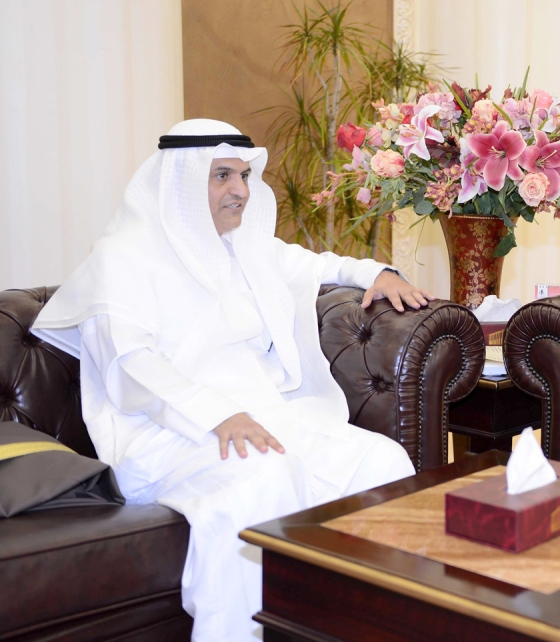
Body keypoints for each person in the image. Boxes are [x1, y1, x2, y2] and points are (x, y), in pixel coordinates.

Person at [31, 119, 433, 641]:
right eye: (221, 175)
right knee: (266, 475)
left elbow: (316, 265)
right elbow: (131, 366)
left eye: (244, 175)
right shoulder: (124, 256)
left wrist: (376, 274)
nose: (240, 190)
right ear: (180, 181)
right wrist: (217, 415)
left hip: (263, 417)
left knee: (381, 461)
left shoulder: (241, 247)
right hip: (166, 436)